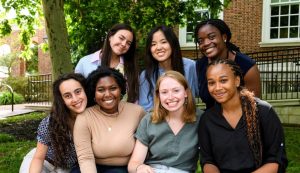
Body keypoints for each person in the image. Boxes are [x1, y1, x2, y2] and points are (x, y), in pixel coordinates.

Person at [198, 59, 287, 173]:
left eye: (223, 80)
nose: (217, 87)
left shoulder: (264, 112)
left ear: (237, 81)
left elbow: (276, 160)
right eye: (211, 83)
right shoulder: (207, 119)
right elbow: (208, 161)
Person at [128, 71, 203, 173]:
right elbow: (134, 163)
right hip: (153, 170)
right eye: (164, 92)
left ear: (186, 93)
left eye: (176, 90)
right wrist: (139, 167)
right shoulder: (149, 120)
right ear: (158, 96)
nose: (170, 97)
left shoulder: (201, 118)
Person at [73, 67, 145, 173]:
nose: (107, 94)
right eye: (101, 90)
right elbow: (85, 158)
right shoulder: (84, 117)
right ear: (94, 93)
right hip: (90, 167)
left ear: (121, 89)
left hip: (125, 169)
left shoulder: (137, 112)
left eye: (113, 88)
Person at [19, 73, 88, 173]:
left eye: (78, 92)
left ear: (85, 91)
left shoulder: (95, 117)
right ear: (62, 100)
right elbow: (38, 158)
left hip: (65, 169)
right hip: (44, 162)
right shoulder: (51, 122)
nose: (75, 99)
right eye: (67, 96)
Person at [194, 19, 261, 109]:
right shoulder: (201, 65)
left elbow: (253, 105)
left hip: (241, 121)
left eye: (211, 37)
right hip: (212, 120)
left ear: (224, 37)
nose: (205, 43)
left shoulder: (247, 66)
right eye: (201, 41)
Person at [139, 25, 198, 112]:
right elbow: (146, 107)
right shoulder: (146, 75)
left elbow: (203, 93)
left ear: (173, 44)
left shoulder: (190, 66)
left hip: (190, 119)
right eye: (153, 44)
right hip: (159, 122)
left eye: (163, 42)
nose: (158, 47)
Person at [75, 23, 139, 103]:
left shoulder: (130, 68)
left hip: (124, 113)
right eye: (121, 38)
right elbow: (76, 92)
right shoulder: (85, 62)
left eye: (128, 43)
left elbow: (135, 99)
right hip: (91, 113)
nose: (124, 44)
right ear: (110, 37)